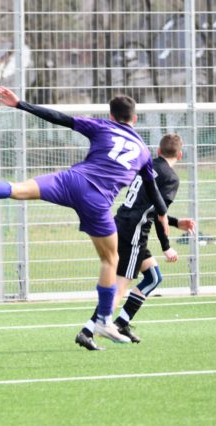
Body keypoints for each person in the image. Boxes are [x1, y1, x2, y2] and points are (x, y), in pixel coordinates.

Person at [0, 86, 169, 344]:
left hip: (71, 180)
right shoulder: (145, 152)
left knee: (17, 188)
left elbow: (59, 117)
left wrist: (20, 104)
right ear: (134, 119)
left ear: (112, 116)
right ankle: (103, 320)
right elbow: (153, 191)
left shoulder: (102, 126)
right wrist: (164, 214)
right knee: (110, 260)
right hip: (97, 200)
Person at [75, 133, 196, 350]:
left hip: (123, 224)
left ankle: (122, 322)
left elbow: (147, 208)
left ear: (158, 151)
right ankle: (88, 330)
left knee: (153, 276)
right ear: (180, 154)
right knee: (120, 288)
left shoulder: (147, 166)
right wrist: (167, 247)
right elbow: (159, 215)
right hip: (134, 234)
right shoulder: (171, 177)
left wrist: (177, 223)